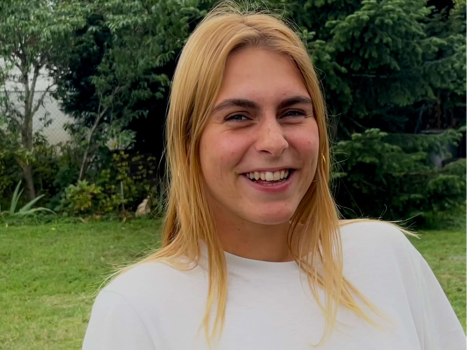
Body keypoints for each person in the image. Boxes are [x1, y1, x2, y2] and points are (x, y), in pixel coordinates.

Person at [82, 3, 467, 350]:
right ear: (189, 141)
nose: (274, 141)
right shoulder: (136, 309)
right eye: (238, 117)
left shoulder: (386, 258)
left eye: (293, 112)